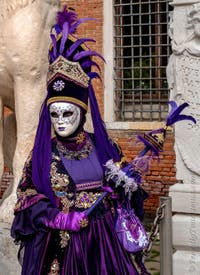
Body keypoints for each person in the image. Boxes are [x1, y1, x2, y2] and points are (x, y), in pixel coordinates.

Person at [11, 6, 195, 275]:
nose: (60, 120)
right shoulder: (42, 156)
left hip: (106, 247)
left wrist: (127, 183)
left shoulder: (104, 147)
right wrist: (58, 217)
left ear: (82, 112)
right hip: (62, 249)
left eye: (67, 113)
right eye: (54, 114)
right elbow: (26, 199)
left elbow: (125, 195)